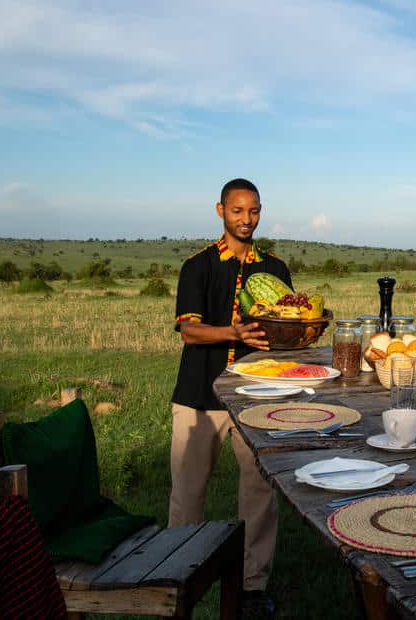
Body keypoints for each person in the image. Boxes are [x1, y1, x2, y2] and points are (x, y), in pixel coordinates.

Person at [169, 178, 290, 617]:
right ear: (220, 210)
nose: (247, 219)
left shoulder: (274, 269)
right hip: (199, 395)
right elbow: (189, 330)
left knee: (259, 490)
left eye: (254, 211)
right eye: (238, 211)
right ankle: (178, 574)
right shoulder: (198, 266)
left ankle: (252, 586)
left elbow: (284, 325)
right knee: (188, 489)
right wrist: (233, 332)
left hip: (256, 395)